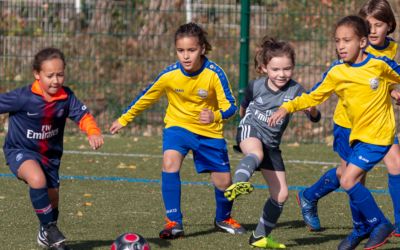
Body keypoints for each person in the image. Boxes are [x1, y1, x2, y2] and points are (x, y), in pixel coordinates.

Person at [268, 15, 398, 249]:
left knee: (349, 178)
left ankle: (380, 223)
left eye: (346, 40)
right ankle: (362, 228)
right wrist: (287, 107)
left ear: (362, 42)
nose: (340, 46)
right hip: (356, 136)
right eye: (337, 41)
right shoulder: (337, 71)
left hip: (379, 136)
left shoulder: (379, 65)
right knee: (350, 178)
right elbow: (313, 96)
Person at [109, 22, 245, 239]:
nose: (186, 56)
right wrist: (125, 119)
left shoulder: (214, 73)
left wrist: (215, 115)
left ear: (202, 48)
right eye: (181, 51)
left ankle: (223, 218)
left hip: (209, 132)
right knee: (169, 162)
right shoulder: (169, 75)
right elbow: (146, 97)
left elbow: (231, 106)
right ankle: (174, 222)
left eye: (191, 50)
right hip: (178, 127)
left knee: (224, 182)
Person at [223, 37, 321, 249]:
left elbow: (315, 117)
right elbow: (244, 107)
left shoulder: (296, 91)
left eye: (287, 69)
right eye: (276, 69)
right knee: (255, 153)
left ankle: (259, 236)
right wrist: (242, 128)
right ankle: (239, 181)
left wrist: (311, 109)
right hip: (251, 130)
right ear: (264, 68)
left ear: (293, 67)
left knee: (281, 194)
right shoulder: (255, 86)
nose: (282, 74)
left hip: (272, 144)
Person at [1, 47, 104, 249]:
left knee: (53, 197)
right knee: (36, 178)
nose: (56, 80)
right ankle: (49, 228)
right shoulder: (23, 97)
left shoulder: (66, 98)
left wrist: (93, 132)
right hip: (20, 150)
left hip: (50, 156)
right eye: (50, 76)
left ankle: (45, 231)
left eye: (60, 75)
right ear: (37, 74)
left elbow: (83, 116)